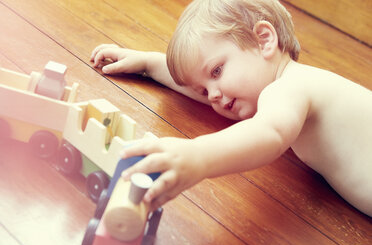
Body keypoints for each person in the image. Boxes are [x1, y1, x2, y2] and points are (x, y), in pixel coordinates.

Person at [90, 0, 372, 216]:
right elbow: (207, 85)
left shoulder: (290, 88)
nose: (212, 96)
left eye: (216, 72)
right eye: (203, 90)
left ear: (264, 40)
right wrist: (150, 64)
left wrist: (198, 154)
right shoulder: (277, 87)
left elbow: (270, 134)